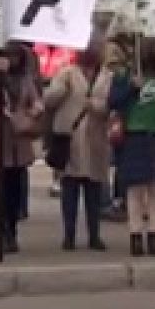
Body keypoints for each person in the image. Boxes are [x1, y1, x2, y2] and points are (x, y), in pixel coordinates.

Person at [109, 42, 155, 257]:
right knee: (134, 188)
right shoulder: (124, 77)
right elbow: (113, 101)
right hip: (135, 133)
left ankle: (153, 234)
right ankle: (135, 234)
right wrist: (131, 87)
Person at [47, 39, 109, 251]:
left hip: (96, 139)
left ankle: (94, 235)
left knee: (94, 191)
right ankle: (69, 235)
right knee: (70, 190)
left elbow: (112, 104)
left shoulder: (107, 76)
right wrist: (60, 90)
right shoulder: (67, 73)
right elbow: (49, 100)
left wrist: (98, 106)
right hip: (70, 137)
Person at [0, 41, 42, 255]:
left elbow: (34, 98)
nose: (13, 62)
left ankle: (13, 229)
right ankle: (3, 230)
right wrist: (0, 111)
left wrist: (35, 109)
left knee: (16, 184)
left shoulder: (25, 79)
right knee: (2, 183)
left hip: (20, 135)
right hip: (0, 134)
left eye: (16, 58)